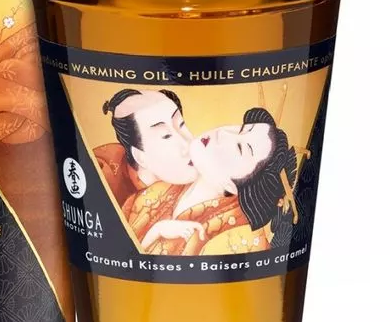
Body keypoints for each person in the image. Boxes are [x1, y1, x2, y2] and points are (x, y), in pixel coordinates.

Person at [100, 90, 296, 256]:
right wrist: (156, 231)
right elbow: (119, 262)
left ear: (236, 185)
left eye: (240, 148)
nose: (223, 132)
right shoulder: (153, 193)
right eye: (241, 129)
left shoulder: (239, 237)